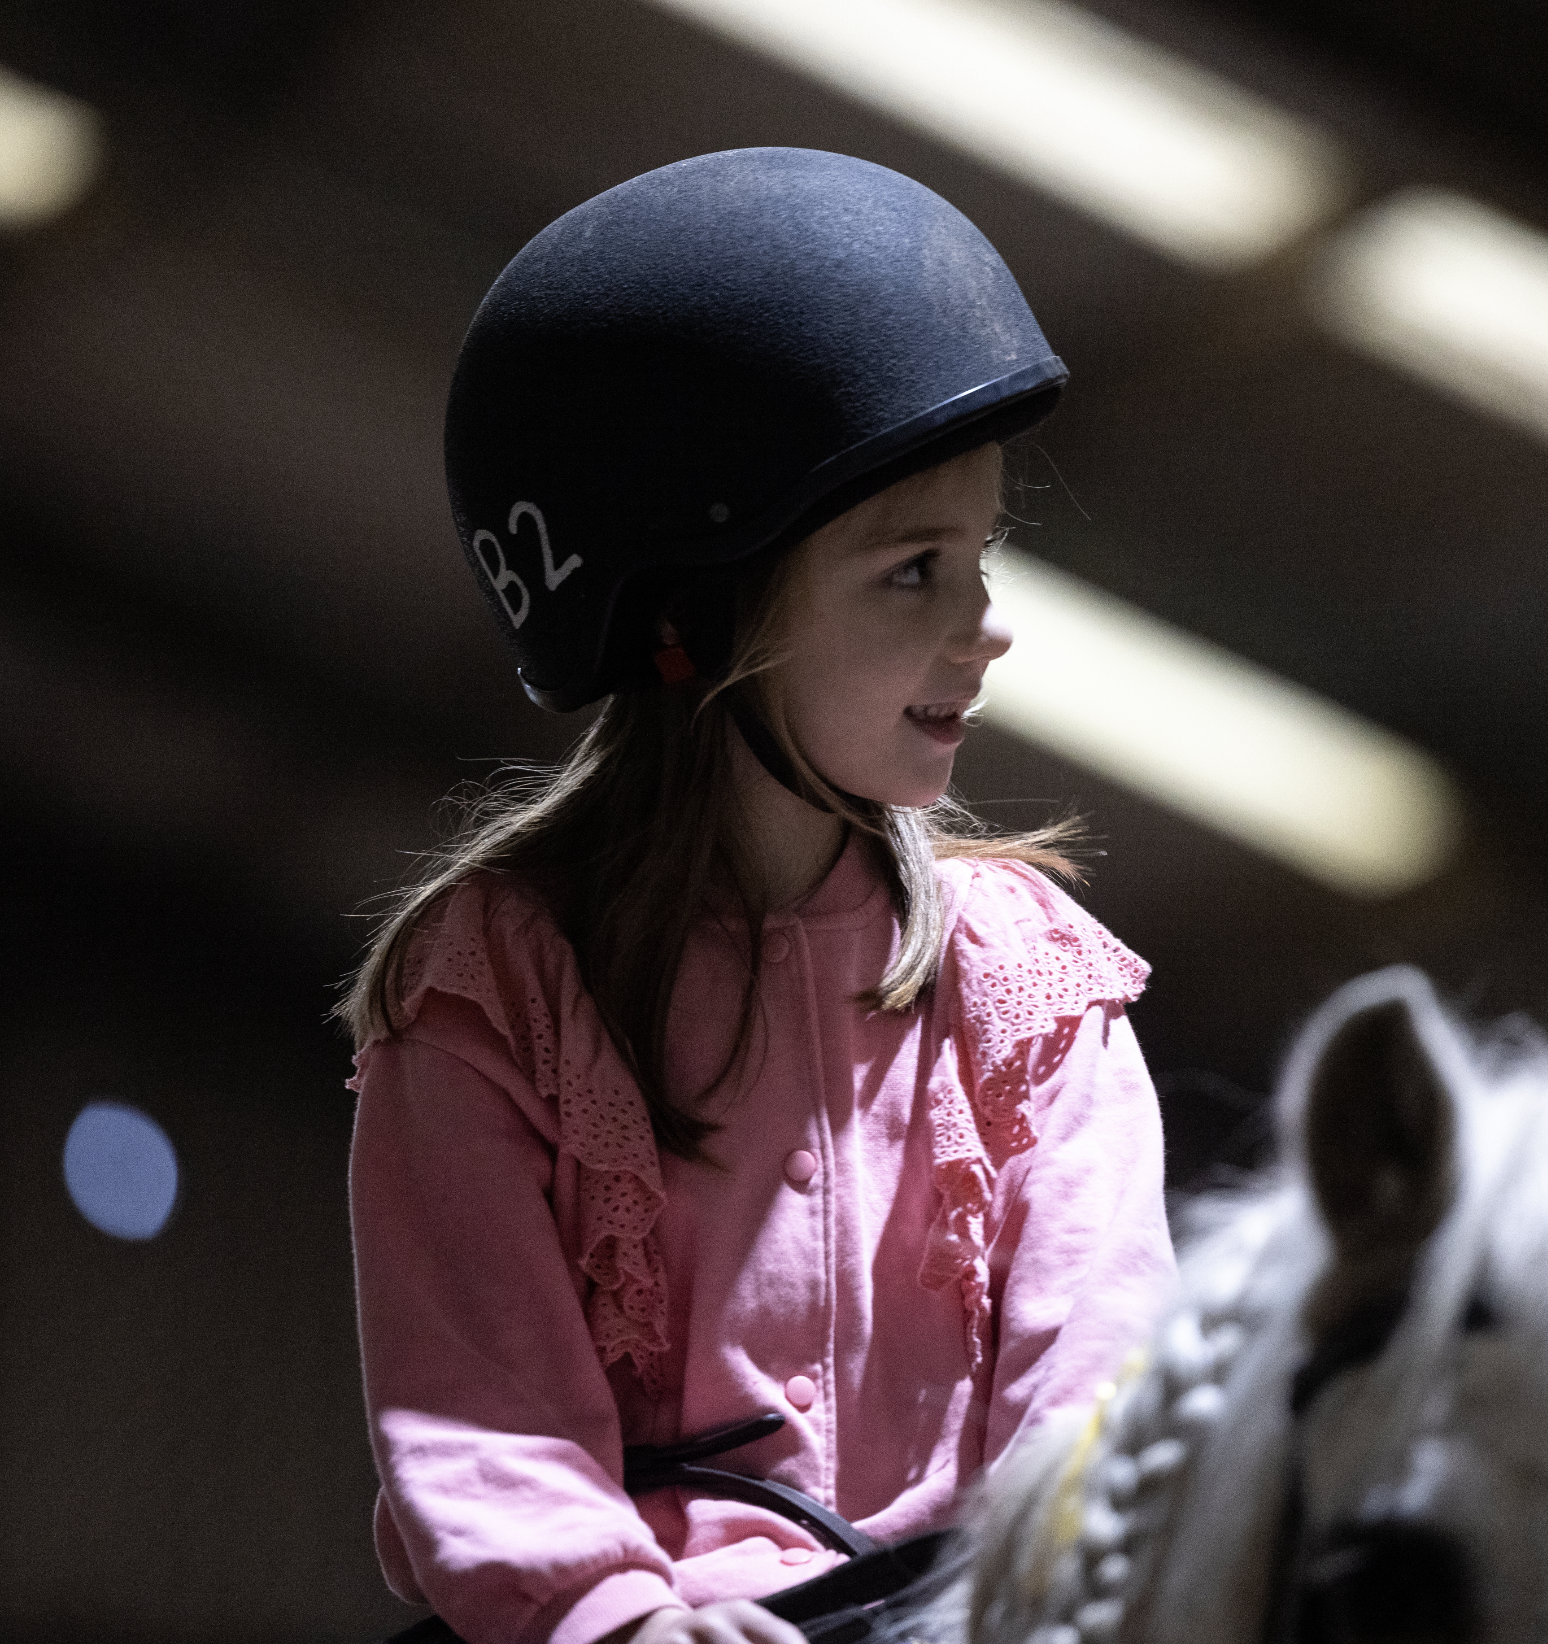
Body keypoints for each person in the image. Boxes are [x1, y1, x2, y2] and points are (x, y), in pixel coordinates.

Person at [342, 148, 1175, 1644]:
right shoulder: (487, 997)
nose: (985, 628)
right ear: (693, 615)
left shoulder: (1037, 990)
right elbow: (483, 1428)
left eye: (980, 557)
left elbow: (1099, 1379)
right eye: (913, 571)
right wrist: (632, 1624)